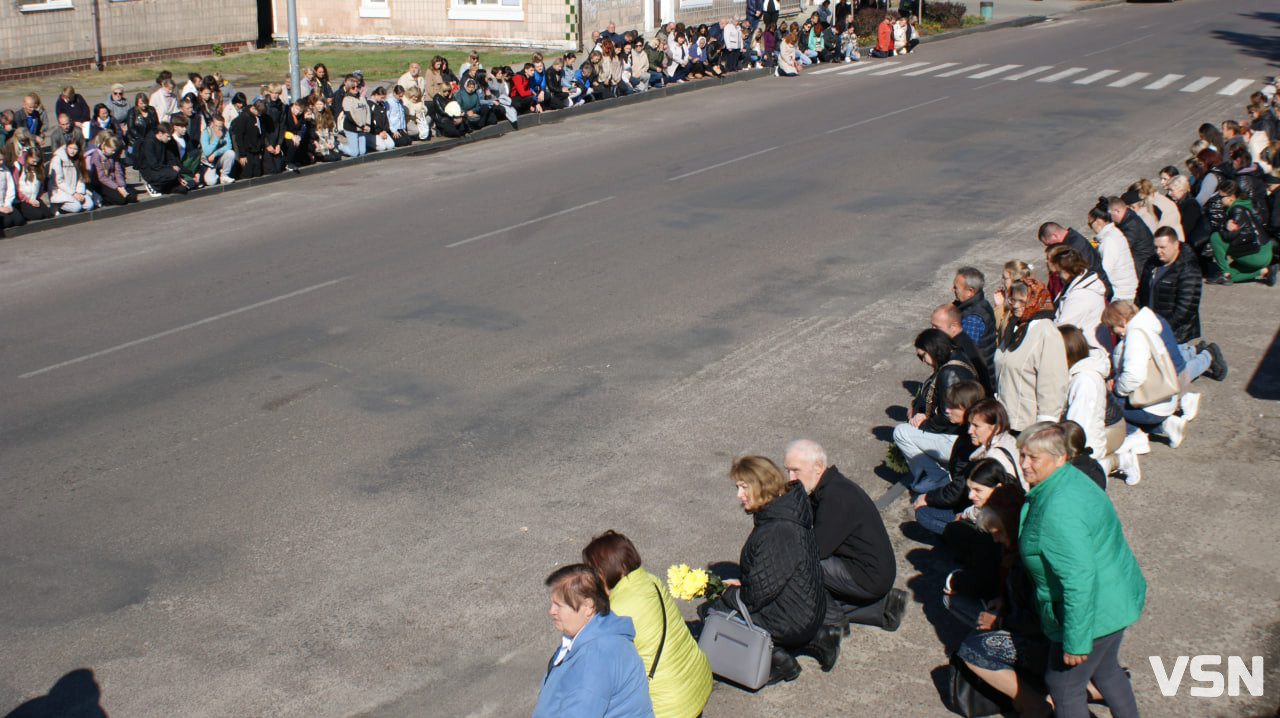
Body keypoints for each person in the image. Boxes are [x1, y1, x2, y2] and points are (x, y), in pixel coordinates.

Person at [1017, 423, 1145, 718]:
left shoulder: (1058, 509)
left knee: (1063, 686)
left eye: (1033, 458)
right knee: (1106, 669)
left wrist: (1076, 641)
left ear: (1060, 457)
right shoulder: (1072, 480)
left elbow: (1078, 580)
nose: (1024, 464)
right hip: (1116, 598)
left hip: (1093, 613)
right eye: (1022, 455)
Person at [705, 455, 826, 685]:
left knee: (714, 612)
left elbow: (753, 598)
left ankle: (780, 659)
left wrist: (726, 592)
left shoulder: (777, 530)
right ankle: (802, 643)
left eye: (743, 487)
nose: (738, 495)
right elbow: (773, 573)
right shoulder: (784, 512)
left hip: (795, 618)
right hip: (806, 606)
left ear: (762, 487)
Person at [581, 532, 711, 718]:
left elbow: (602, 670)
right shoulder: (651, 581)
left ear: (603, 572)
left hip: (669, 706)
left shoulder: (618, 610)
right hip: (697, 680)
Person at [785, 440, 907, 634]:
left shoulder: (836, 497)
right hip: (871, 571)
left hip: (868, 576)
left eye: (796, 471)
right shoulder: (832, 487)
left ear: (818, 467)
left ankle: (833, 622)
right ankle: (882, 608)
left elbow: (815, 551)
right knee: (806, 588)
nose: (791, 478)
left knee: (800, 566)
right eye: (788, 470)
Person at [532, 564, 654, 718]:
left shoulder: (597, 657)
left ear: (587, 606)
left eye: (559, 605)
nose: (551, 611)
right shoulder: (588, 637)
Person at [1138, 226, 1227, 383]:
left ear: (1176, 245)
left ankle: (1208, 357)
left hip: (1176, 331)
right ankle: (1194, 352)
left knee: (1175, 378)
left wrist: (1162, 328)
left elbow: (1186, 308)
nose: (1158, 252)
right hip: (1153, 326)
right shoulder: (1152, 263)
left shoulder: (1188, 268)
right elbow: (1141, 292)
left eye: (1163, 247)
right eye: (1156, 247)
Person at [894, 329, 977, 491]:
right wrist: (920, 409)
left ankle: (938, 478)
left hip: (957, 439)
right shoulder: (957, 356)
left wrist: (925, 422)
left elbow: (949, 418)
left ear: (933, 350)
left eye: (922, 355)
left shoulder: (950, 373)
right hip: (965, 434)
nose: (923, 361)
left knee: (901, 432)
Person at [1101, 301, 1189, 449]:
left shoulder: (1135, 336)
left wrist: (1116, 388)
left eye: (1112, 326)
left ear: (1122, 319)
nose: (1112, 331)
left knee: (1106, 401)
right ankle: (1165, 425)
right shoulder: (1149, 326)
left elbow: (1134, 376)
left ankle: (1133, 434)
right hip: (1165, 399)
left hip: (1150, 404)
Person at [911, 380, 988, 533]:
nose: (947, 411)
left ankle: (966, 536)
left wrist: (927, 498)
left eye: (953, 407)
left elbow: (956, 492)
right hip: (972, 501)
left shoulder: (970, 443)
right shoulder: (971, 432)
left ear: (968, 409)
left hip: (975, 506)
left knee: (923, 514)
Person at [995, 279, 1068, 434]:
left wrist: (1044, 429)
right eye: (1013, 299)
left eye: (1022, 301)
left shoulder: (1046, 333)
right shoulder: (1014, 327)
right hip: (1004, 420)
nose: (1015, 305)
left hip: (1026, 426)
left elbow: (1052, 385)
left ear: (1035, 300)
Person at [1057, 325, 1123, 477]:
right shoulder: (1078, 373)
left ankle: (1114, 461)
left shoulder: (1084, 381)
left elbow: (1080, 425)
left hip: (1096, 438)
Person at [1206, 180, 1277, 286]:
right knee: (1233, 276)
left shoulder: (1237, 210)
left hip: (1256, 253)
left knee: (1215, 237)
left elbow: (1229, 236)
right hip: (1262, 249)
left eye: (1221, 197)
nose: (1219, 200)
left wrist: (1222, 226)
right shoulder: (1244, 203)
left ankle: (1224, 273)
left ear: (1231, 197)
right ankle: (1265, 271)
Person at [1047, 245, 1108, 351]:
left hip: (1087, 352)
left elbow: (1062, 328)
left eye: (1060, 272)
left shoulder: (1081, 296)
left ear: (1067, 270)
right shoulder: (1076, 286)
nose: (1058, 275)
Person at [1036, 222, 1112, 301]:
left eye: (1049, 244)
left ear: (1055, 236)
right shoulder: (1073, 239)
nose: (1051, 247)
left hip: (1097, 292)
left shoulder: (1074, 248)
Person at [931, 304, 993, 394]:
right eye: (932, 326)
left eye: (937, 327)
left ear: (954, 327)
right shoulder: (963, 341)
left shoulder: (958, 349)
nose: (933, 330)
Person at [1085, 200, 1138, 303]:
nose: (1090, 228)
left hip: (1121, 295)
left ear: (1098, 221)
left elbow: (1105, 270)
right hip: (1127, 291)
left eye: (1090, 224)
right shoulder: (1114, 233)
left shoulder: (1109, 240)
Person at [953, 266, 999, 379]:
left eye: (956, 288)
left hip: (979, 380)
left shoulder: (972, 318)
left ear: (970, 291)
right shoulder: (981, 303)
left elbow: (966, 353)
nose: (953, 291)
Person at [136, 122, 194, 195]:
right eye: (167, 136)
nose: (169, 139)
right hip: (150, 170)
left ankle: (164, 188)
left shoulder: (166, 142)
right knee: (172, 173)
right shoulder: (149, 142)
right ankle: (153, 186)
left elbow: (170, 158)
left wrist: (178, 177)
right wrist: (171, 168)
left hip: (162, 168)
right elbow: (154, 164)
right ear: (160, 133)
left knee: (182, 188)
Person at [84, 131, 136, 206]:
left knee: (132, 197)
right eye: (111, 150)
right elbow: (101, 177)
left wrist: (121, 185)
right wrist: (117, 187)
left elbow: (117, 171)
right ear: (105, 147)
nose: (113, 152)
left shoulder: (113, 156)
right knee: (120, 200)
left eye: (114, 150)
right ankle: (103, 198)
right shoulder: (96, 156)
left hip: (112, 180)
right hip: (101, 183)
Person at [48, 138, 97, 214]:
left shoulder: (78, 160)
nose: (72, 151)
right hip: (61, 190)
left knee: (89, 205)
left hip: (75, 190)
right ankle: (57, 206)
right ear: (66, 147)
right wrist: (73, 193)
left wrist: (79, 192)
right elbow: (58, 181)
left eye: (75, 149)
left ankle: (74, 201)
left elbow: (81, 179)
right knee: (76, 208)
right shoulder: (58, 159)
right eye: (70, 148)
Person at [992, 260, 1034, 336]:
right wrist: (999, 305)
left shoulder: (1021, 304)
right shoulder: (1011, 302)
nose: (1002, 282)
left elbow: (1006, 333)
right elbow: (1001, 329)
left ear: (1015, 279)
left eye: (1005, 278)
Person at [13, 149, 54, 221]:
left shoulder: (38, 168)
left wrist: (37, 197)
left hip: (34, 198)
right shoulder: (19, 167)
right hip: (22, 200)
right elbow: (16, 187)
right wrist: (28, 200)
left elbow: (40, 184)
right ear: (27, 157)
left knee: (48, 214)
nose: (35, 164)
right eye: (33, 161)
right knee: (37, 215)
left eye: (37, 162)